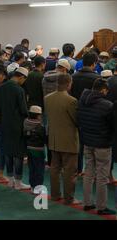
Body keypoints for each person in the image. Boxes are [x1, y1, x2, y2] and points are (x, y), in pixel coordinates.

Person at [77, 79, 115, 215]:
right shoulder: (107, 105)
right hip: (103, 144)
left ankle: (87, 203)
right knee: (102, 177)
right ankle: (101, 206)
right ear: (103, 90)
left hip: (87, 142)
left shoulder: (82, 101)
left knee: (88, 173)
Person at [45, 73, 80, 205]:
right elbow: (76, 120)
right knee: (69, 171)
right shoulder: (71, 101)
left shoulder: (47, 98)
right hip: (68, 140)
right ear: (68, 84)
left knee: (55, 169)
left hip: (53, 138)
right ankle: (69, 198)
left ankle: (55, 195)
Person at [0, 67, 30, 190]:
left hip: (4, 123)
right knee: (18, 154)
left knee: (8, 152)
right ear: (21, 77)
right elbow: (23, 110)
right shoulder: (19, 90)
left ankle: (10, 179)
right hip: (17, 125)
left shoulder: (1, 87)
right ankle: (18, 181)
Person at [71, 51, 101, 175]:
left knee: (77, 142)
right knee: (91, 145)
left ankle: (78, 169)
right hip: (91, 115)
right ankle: (91, 171)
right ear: (94, 63)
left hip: (75, 112)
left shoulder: (73, 77)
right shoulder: (96, 78)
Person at [24, 105, 46, 194]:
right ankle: (38, 188)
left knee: (32, 168)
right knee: (39, 169)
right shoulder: (40, 127)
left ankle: (32, 186)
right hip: (38, 150)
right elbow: (44, 139)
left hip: (28, 149)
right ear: (38, 115)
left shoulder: (25, 122)